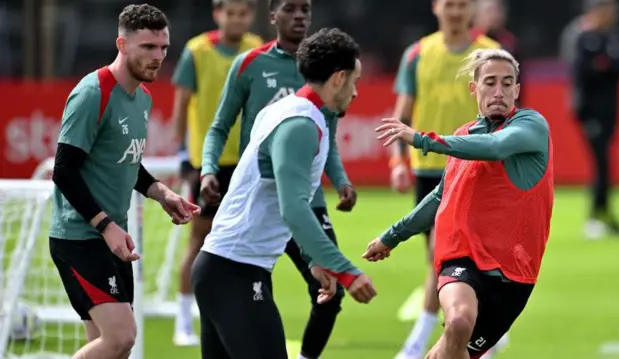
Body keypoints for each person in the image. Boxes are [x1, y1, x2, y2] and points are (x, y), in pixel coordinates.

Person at [191, 27, 376, 359]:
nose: (356, 92)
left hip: (226, 269)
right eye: (355, 80)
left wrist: (312, 259)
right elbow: (294, 208)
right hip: (234, 272)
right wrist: (346, 270)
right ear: (338, 79)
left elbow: (279, 200)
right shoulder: (300, 125)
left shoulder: (288, 111)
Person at [363, 48, 554, 359]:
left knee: (448, 353)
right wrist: (392, 236)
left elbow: (496, 147)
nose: (499, 92)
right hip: (462, 258)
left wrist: (423, 140)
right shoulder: (465, 134)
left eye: (507, 84)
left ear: (517, 90)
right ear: (473, 88)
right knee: (459, 322)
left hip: (515, 274)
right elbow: (440, 196)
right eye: (490, 82)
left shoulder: (531, 125)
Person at [49, 5, 200, 359]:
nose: (158, 56)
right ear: (121, 44)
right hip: (80, 238)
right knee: (122, 338)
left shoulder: (142, 99)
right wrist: (105, 226)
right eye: (148, 47)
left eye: (163, 47)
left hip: (112, 240)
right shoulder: (92, 93)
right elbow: (64, 171)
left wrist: (162, 194)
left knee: (111, 349)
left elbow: (127, 163)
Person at [388, 1, 501, 358]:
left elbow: (505, 114)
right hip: (428, 169)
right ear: (436, 7)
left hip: (474, 167)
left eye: (462, 4)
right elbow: (402, 112)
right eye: (449, 4)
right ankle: (483, 333)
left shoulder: (491, 53)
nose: (455, 11)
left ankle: (419, 343)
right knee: (441, 260)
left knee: (447, 256)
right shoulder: (418, 53)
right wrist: (397, 162)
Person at [169, 0, 263, 345]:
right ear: (217, 14)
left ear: (250, 16)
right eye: (230, 13)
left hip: (248, 162)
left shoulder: (258, 49)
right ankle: (183, 318)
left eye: (242, 13)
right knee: (199, 240)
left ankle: (238, 311)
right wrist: (183, 154)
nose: (236, 19)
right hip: (207, 164)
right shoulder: (197, 51)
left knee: (247, 240)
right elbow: (180, 105)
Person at [559, 0, 619, 239]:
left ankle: (604, 215)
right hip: (588, 108)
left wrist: (604, 65)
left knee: (604, 160)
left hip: (611, 106)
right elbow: (581, 69)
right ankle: (596, 216)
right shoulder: (580, 34)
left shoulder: (614, 35)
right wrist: (606, 66)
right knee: (601, 160)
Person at [471, 0, 523, 105]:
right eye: (489, 11)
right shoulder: (469, 42)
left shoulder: (510, 42)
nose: (494, 16)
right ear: (476, 15)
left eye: (498, 11)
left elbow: (518, 78)